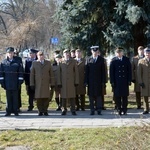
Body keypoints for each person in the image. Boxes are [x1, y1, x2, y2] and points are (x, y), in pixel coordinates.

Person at [0, 47, 24, 116]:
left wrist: (20, 81)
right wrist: (2, 82)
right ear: (7, 54)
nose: (10, 54)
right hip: (7, 83)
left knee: (15, 97)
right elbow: (1, 73)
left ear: (14, 53)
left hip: (15, 83)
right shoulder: (3, 62)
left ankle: (15, 110)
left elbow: (20, 72)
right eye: (9, 53)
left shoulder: (18, 61)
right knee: (8, 98)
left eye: (11, 53)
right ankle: (8, 111)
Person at [30, 51, 55, 116]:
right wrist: (32, 84)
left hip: (46, 83)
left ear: (44, 56)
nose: (41, 57)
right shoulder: (34, 63)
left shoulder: (48, 63)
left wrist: (52, 83)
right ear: (37, 56)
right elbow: (32, 74)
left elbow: (51, 74)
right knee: (39, 98)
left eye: (42, 55)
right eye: (39, 55)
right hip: (38, 83)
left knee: (46, 97)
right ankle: (40, 110)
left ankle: (45, 110)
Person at [109, 47, 132, 115]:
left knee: (124, 96)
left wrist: (129, 80)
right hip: (117, 81)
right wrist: (112, 81)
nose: (119, 53)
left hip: (124, 81)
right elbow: (111, 72)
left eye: (120, 52)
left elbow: (129, 71)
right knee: (117, 96)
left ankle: (124, 109)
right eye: (117, 52)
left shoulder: (126, 59)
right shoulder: (113, 61)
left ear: (122, 52)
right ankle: (119, 109)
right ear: (116, 53)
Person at [85, 46, 106, 115]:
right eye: (93, 52)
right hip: (91, 81)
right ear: (91, 52)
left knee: (98, 96)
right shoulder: (88, 59)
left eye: (96, 52)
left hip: (99, 81)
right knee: (91, 96)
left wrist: (103, 81)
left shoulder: (101, 59)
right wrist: (86, 81)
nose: (95, 53)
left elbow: (103, 71)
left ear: (98, 52)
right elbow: (86, 72)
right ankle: (92, 109)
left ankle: (99, 109)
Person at [57, 49, 79, 115]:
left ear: (69, 54)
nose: (67, 54)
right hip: (63, 82)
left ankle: (73, 110)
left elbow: (76, 72)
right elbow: (59, 73)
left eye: (67, 53)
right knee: (63, 97)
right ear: (63, 54)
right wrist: (59, 82)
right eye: (65, 53)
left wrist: (76, 81)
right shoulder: (61, 62)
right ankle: (64, 109)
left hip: (71, 82)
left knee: (72, 96)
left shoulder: (73, 61)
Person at [137, 47, 150, 114]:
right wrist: (140, 82)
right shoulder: (141, 61)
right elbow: (139, 73)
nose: (147, 54)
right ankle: (146, 109)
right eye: (146, 52)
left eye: (148, 52)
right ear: (144, 53)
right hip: (145, 81)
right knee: (145, 96)